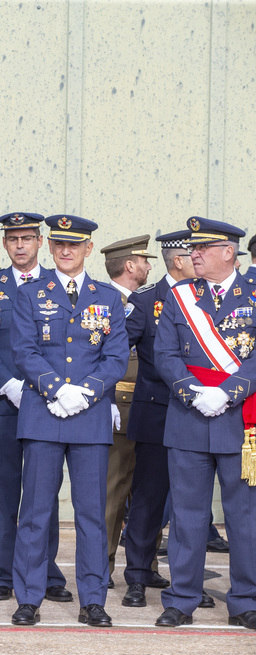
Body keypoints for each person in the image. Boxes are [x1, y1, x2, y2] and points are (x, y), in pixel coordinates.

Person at [9, 214, 128, 628]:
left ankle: (93, 599)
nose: (65, 251)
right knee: (36, 511)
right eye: (59, 244)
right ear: (50, 247)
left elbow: (116, 357)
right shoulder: (29, 293)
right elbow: (23, 350)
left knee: (92, 514)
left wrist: (86, 392)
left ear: (88, 249)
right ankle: (28, 597)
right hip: (44, 413)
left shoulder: (108, 298)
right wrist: (57, 389)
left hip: (89, 416)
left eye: (74, 245)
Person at [153, 216, 256, 630]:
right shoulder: (180, 297)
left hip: (239, 421)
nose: (191, 255)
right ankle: (182, 599)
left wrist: (227, 392)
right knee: (187, 515)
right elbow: (164, 354)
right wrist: (193, 392)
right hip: (189, 418)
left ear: (228, 252)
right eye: (191, 249)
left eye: (201, 249)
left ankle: (246, 599)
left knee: (244, 517)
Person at [0, 212, 71, 603]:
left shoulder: (56, 283)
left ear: (40, 243)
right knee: (0, 491)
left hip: (46, 403)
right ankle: (0, 574)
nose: (19, 245)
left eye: (27, 238)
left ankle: (45, 573)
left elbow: (67, 346)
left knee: (42, 492)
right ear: (4, 243)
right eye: (13, 239)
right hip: (1, 401)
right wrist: (8, 384)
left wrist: (44, 387)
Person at [122, 229, 205, 608]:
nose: (199, 260)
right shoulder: (146, 301)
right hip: (157, 411)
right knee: (149, 499)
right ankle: (138, 576)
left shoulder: (207, 297)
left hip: (200, 412)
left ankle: (188, 581)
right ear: (178, 260)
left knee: (190, 502)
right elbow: (117, 349)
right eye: (194, 254)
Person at [98, 235, 155, 586]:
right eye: (145, 260)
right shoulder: (107, 303)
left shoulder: (145, 302)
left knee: (148, 495)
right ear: (130, 265)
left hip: (146, 408)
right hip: (119, 408)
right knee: (112, 495)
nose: (150, 266)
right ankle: (101, 568)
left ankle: (143, 567)